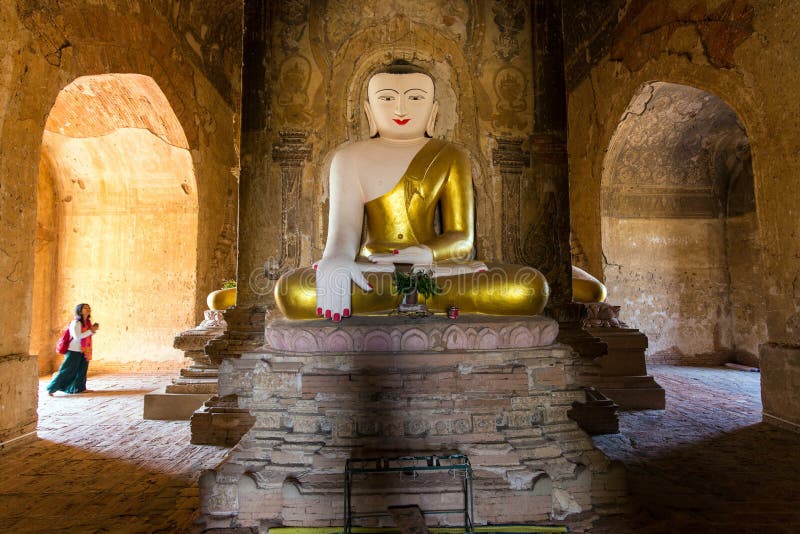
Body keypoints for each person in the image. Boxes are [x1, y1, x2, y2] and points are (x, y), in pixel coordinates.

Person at [275, 60, 601, 320]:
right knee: (293, 292)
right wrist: (336, 262)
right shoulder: (348, 158)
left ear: (433, 111)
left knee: (529, 288)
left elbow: (462, 239)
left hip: (436, 270)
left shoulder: (450, 156)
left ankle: (403, 301)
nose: (400, 109)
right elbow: (343, 235)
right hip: (374, 270)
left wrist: (428, 253)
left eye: (415, 98)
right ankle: (414, 301)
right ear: (369, 110)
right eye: (387, 98)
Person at [47, 303, 98, 396]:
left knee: (82, 370)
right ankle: (51, 388)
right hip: (74, 350)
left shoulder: (87, 322)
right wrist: (91, 331)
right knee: (67, 370)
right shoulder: (76, 323)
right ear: (79, 310)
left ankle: (80, 388)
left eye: (88, 307)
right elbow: (77, 337)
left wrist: (92, 330)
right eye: (85, 308)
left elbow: (87, 335)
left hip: (85, 350)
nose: (88, 309)